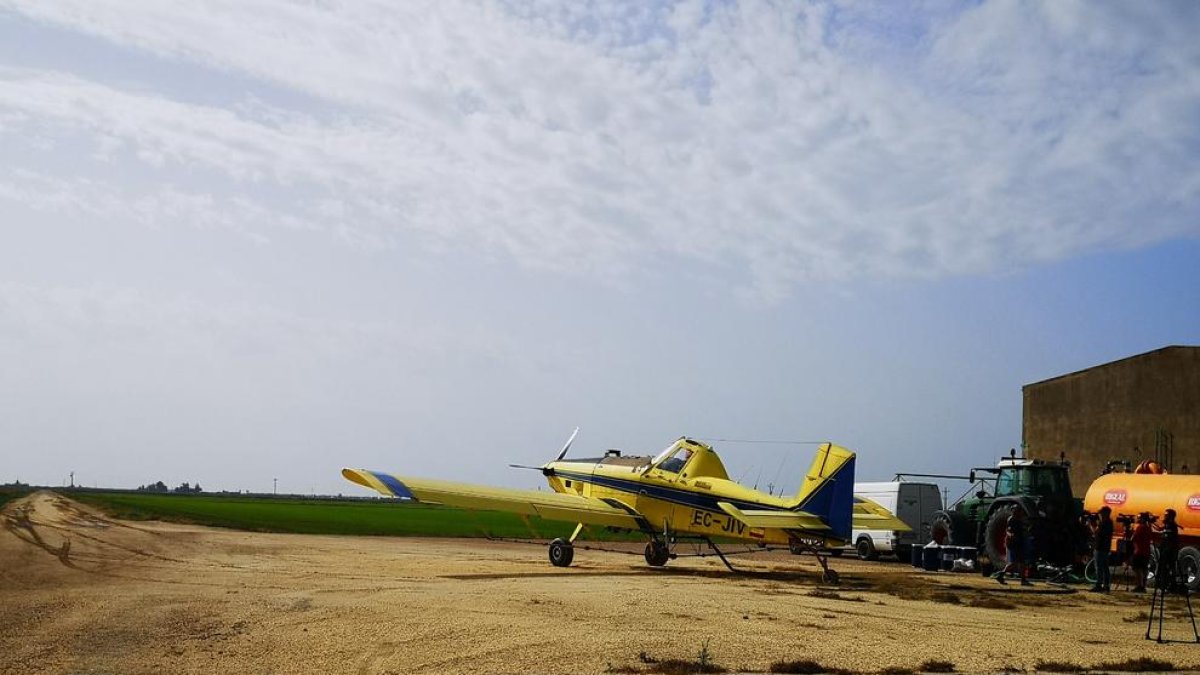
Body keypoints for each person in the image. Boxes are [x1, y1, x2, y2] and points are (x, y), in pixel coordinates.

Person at [995, 508, 1030, 585]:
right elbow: (1008, 530)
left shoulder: (1019, 519)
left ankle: (1022, 580)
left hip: (1018, 543)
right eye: (1019, 511)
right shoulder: (1012, 519)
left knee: (1020, 562)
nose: (1021, 513)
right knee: (1015, 562)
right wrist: (1011, 535)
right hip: (1014, 543)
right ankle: (1001, 575)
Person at [1091, 506, 1114, 592]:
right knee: (1105, 567)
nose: (1100, 515)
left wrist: (1091, 525)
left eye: (1101, 513)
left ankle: (1098, 584)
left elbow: (1096, 533)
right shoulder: (1110, 523)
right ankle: (1106, 585)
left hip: (1100, 548)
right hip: (1106, 547)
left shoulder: (1104, 523)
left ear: (1105, 513)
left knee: (1099, 567)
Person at [1157, 509, 1181, 590]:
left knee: (1169, 567)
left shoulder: (1172, 525)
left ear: (1171, 516)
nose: (1165, 516)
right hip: (1165, 550)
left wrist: (1168, 550)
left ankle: (1170, 584)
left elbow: (1171, 539)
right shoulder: (1167, 525)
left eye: (1166, 515)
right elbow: (1160, 529)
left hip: (1169, 551)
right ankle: (1164, 583)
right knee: (1164, 568)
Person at [1130, 513, 1153, 593]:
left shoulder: (1140, 527)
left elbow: (1133, 538)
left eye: (1139, 518)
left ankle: (1139, 585)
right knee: (1144, 568)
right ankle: (1143, 585)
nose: (1138, 519)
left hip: (1139, 551)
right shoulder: (1148, 528)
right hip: (1146, 551)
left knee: (1137, 568)